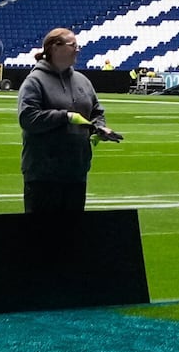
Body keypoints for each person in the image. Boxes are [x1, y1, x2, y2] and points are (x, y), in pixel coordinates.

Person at [16, 26, 119, 221]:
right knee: (42, 237)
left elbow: (96, 110)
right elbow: (28, 118)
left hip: (76, 171)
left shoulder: (82, 81)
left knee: (73, 237)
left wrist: (100, 127)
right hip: (43, 174)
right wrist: (65, 116)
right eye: (73, 45)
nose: (78, 50)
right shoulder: (35, 82)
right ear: (55, 47)